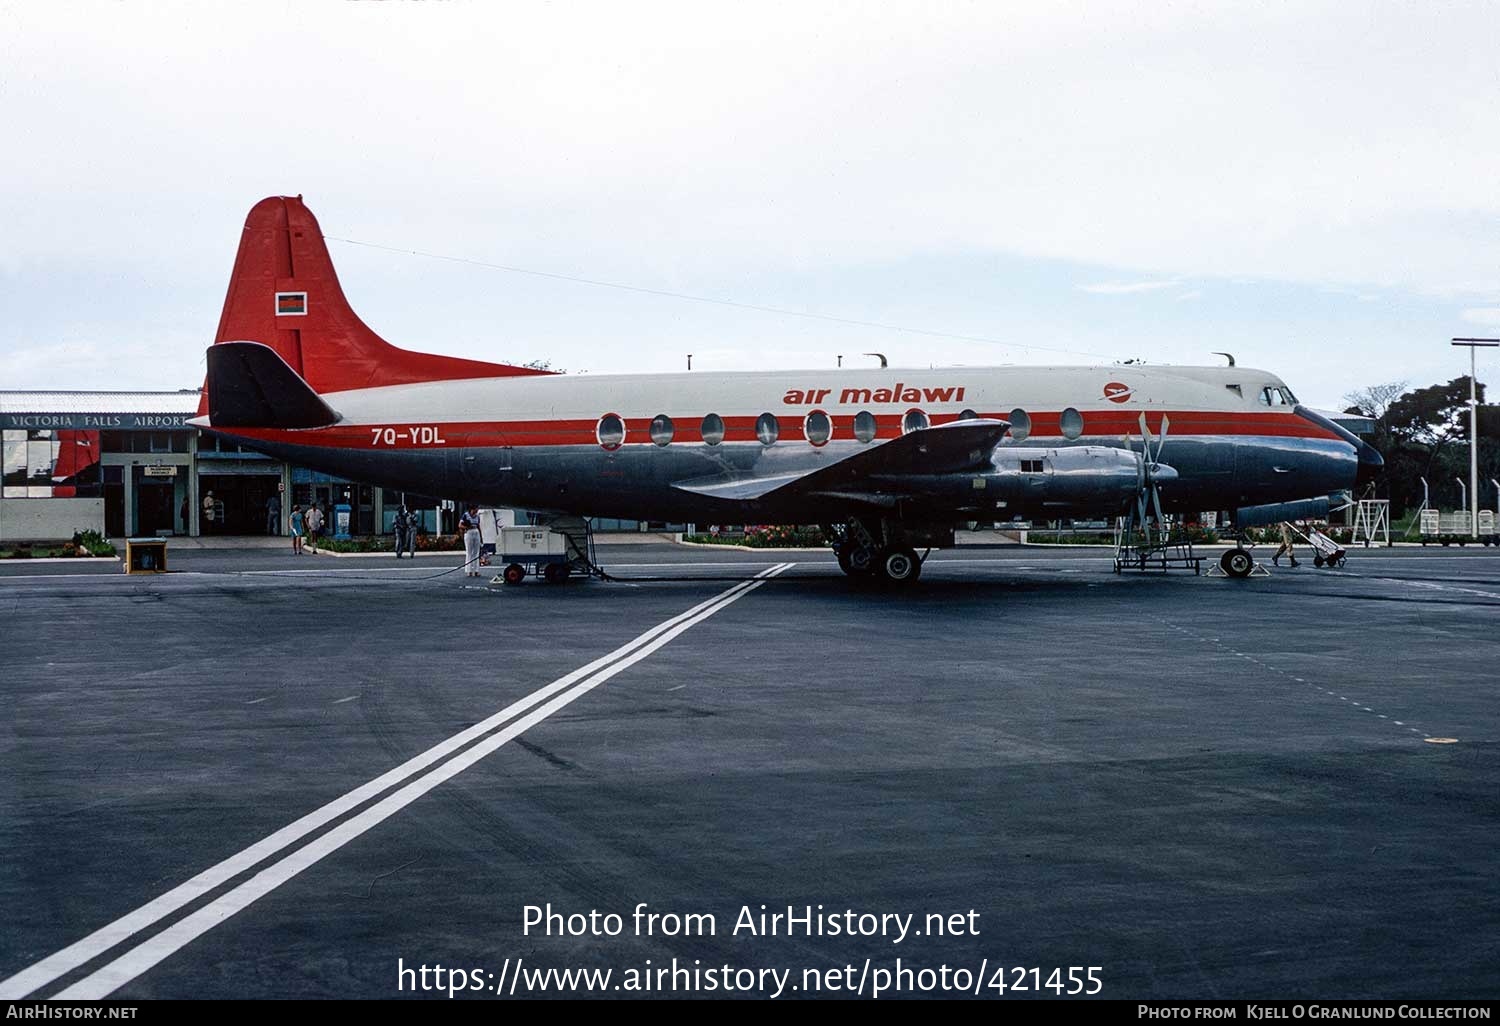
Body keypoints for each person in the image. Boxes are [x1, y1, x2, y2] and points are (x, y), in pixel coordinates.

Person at [460, 504, 481, 577]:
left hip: (476, 531)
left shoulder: (478, 516)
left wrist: (481, 537)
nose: (477, 510)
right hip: (469, 531)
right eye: (476, 508)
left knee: (476, 552)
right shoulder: (466, 515)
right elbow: (460, 525)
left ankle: (476, 570)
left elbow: (478, 526)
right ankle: (468, 570)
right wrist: (467, 526)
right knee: (469, 552)